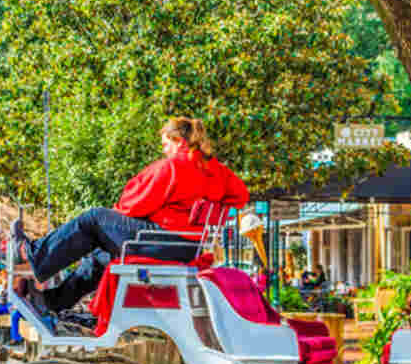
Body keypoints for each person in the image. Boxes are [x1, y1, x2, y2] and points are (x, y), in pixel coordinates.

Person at [15, 117, 249, 312]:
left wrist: (112, 221)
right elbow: (241, 196)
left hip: (164, 242)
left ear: (178, 141)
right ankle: (53, 302)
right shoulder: (217, 170)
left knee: (94, 218)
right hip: (190, 247)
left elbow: (133, 205)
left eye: (165, 144)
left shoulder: (173, 167)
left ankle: (34, 254)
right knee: (99, 256)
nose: (164, 150)